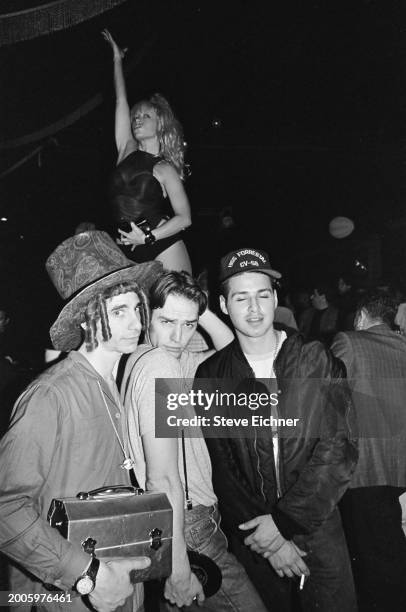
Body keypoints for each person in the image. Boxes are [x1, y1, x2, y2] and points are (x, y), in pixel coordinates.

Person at [0, 231, 162, 612]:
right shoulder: (50, 395)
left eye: (136, 309)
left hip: (124, 585)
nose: (135, 322)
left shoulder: (123, 384)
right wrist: (85, 572)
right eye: (118, 311)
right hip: (65, 596)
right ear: (87, 320)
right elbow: (5, 507)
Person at [194, 247, 358, 612]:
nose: (254, 309)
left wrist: (285, 522)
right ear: (223, 304)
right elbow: (223, 468)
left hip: (317, 522)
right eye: (241, 297)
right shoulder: (212, 376)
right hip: (255, 533)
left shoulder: (316, 359)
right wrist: (269, 537)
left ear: (276, 298)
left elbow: (339, 446)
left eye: (262, 295)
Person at [121, 271, 267, 611]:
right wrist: (178, 567)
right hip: (187, 524)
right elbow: (163, 476)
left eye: (189, 324)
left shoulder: (157, 359)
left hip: (178, 521)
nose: (178, 335)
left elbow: (232, 353)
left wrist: (194, 305)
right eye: (167, 320)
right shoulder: (160, 366)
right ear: (145, 316)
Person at [331, 289, 406, 612]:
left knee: (374, 573)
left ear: (361, 316)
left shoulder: (349, 341)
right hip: (400, 474)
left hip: (365, 474)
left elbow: (326, 400)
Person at [103, 30, 192, 272]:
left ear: (159, 124)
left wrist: (148, 237)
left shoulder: (164, 168)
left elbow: (184, 218)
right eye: (136, 117)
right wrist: (117, 60)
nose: (137, 120)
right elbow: (121, 101)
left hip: (160, 242)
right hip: (126, 245)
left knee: (182, 306)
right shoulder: (126, 148)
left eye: (146, 116)